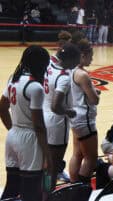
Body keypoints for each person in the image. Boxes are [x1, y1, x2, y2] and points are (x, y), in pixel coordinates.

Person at [0, 45, 51, 201]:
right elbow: (38, 126)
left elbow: (2, 108)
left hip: (13, 136)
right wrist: (47, 154)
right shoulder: (35, 87)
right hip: (30, 139)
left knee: (12, 186)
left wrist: (12, 128)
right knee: (31, 189)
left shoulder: (12, 79)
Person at [43, 43, 81, 189]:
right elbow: (56, 106)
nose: (76, 64)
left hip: (43, 117)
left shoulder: (50, 65)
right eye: (75, 61)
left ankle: (44, 191)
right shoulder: (64, 77)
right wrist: (69, 112)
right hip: (57, 123)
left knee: (47, 164)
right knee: (53, 167)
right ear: (68, 59)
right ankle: (48, 193)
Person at [69, 39, 100, 184]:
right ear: (82, 55)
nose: (92, 58)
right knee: (91, 158)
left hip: (74, 117)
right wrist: (96, 93)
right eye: (90, 55)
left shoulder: (69, 69)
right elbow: (94, 100)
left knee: (77, 154)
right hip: (84, 119)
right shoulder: (82, 74)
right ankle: (81, 190)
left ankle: (73, 185)